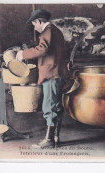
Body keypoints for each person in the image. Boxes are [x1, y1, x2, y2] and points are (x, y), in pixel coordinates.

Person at [16, 9, 69, 148]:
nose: (35, 27)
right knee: (56, 105)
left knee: (49, 106)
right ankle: (55, 136)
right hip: (57, 72)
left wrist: (23, 54)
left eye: (34, 24)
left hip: (51, 73)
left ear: (39, 21)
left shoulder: (48, 31)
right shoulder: (56, 31)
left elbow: (43, 49)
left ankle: (49, 140)